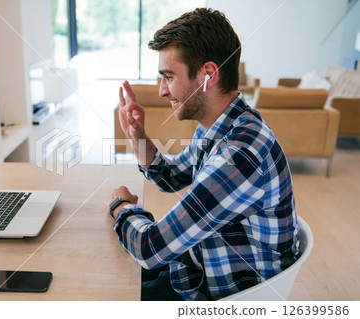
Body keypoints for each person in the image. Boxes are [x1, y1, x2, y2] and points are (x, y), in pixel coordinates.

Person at [105, 8, 299, 301]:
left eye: (169, 77)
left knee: (103, 293)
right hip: (197, 267)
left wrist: (121, 206)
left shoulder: (240, 156)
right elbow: (169, 177)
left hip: (218, 294)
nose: (162, 91)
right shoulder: (222, 125)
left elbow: (150, 249)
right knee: (109, 270)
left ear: (208, 74)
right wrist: (138, 135)